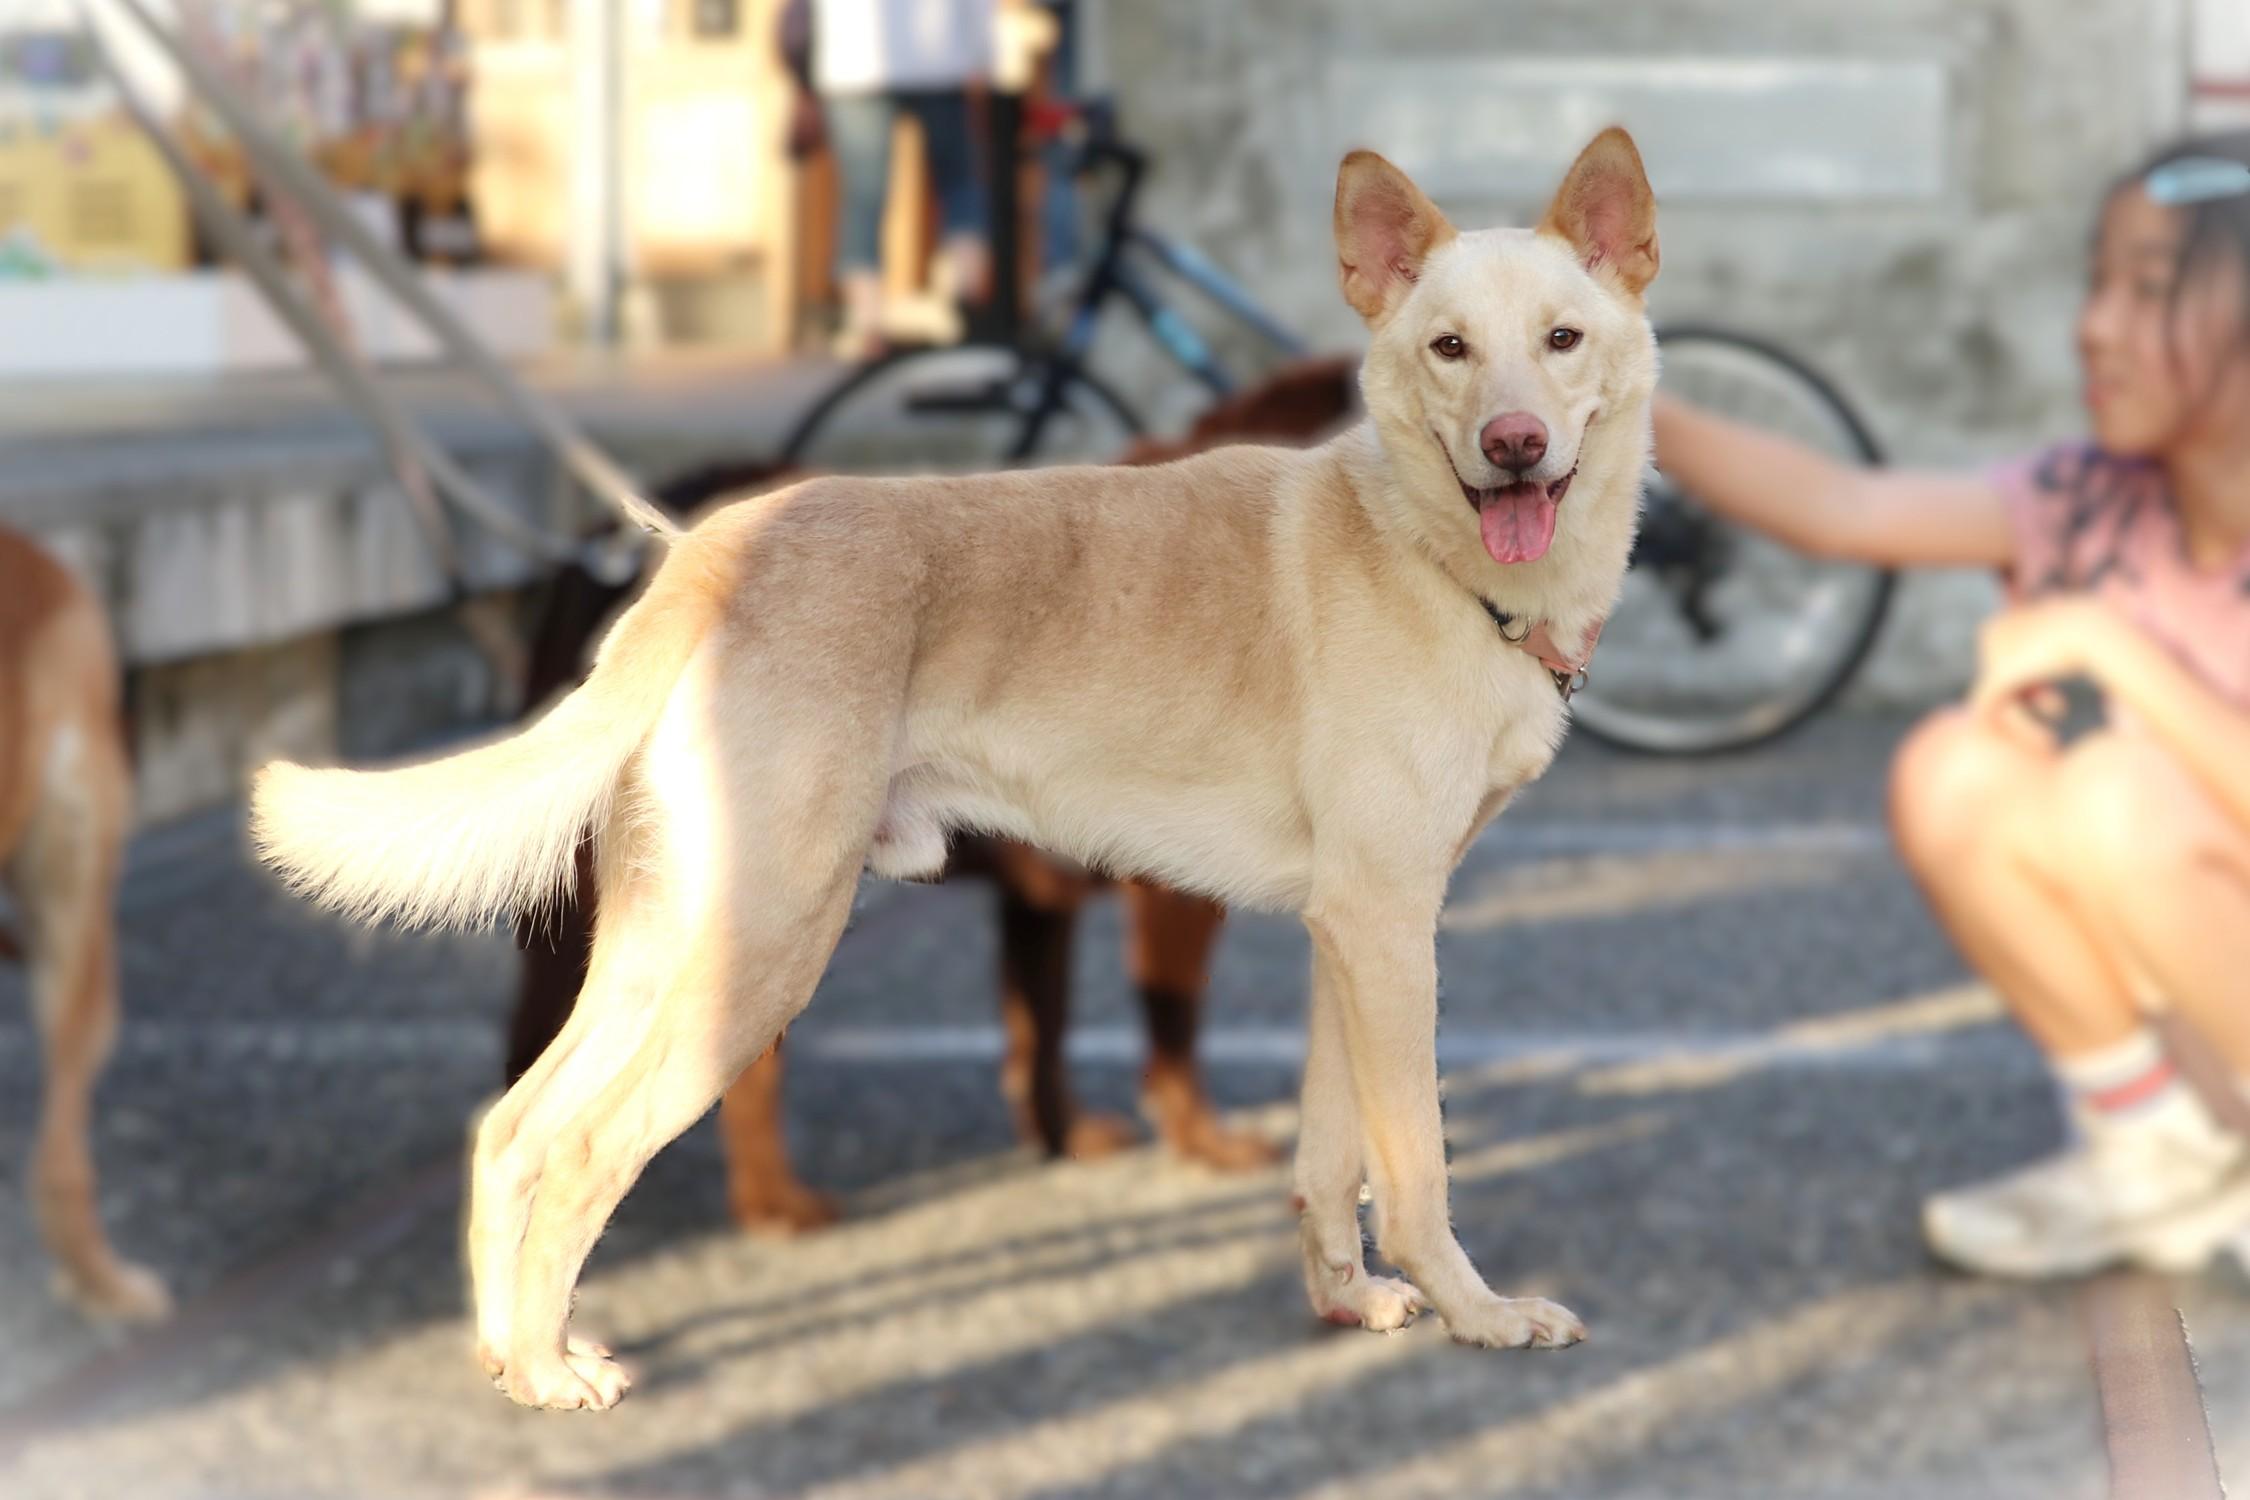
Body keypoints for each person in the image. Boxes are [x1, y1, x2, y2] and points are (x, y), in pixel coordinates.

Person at [1652, 133, 2250, 1279]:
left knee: (2115, 789)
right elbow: (1846, 506)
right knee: (1954, 768)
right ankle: (2156, 1156)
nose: (2094, 326)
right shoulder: (2093, 500)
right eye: (2097, 282)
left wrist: (2115, 654)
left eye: (2151, 290)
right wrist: (1620, 397)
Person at [797, 0, 997, 357]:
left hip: (856, 58)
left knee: (864, 196)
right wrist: (984, 56)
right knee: (957, 185)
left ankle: (868, 322)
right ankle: (969, 307)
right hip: (937, 57)